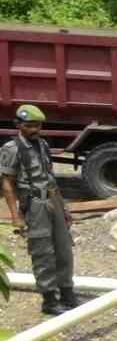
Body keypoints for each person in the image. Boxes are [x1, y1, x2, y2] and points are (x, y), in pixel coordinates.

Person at [0, 104, 77, 315]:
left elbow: (50, 178)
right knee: (42, 252)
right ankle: (50, 299)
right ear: (19, 125)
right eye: (30, 126)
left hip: (54, 201)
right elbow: (7, 183)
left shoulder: (42, 144)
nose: (35, 129)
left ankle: (67, 291)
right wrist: (16, 217)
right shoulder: (12, 149)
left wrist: (65, 209)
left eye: (38, 125)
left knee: (64, 249)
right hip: (35, 205)